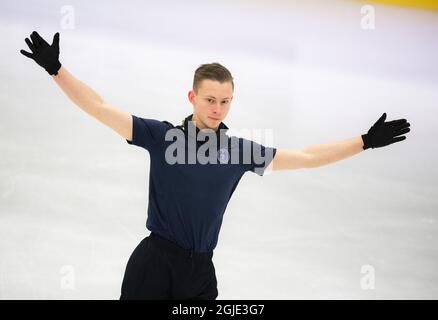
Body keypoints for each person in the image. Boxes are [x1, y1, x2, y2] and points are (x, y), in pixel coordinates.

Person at [20, 31, 411, 300]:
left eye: (224, 101)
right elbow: (100, 108)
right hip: (154, 265)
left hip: (200, 274)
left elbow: (306, 157)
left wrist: (363, 142)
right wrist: (57, 71)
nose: (217, 109)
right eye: (210, 99)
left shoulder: (239, 151)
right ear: (192, 96)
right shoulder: (162, 137)